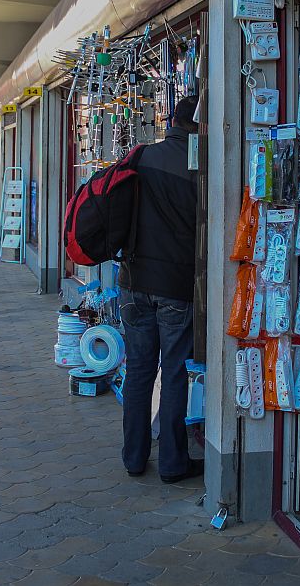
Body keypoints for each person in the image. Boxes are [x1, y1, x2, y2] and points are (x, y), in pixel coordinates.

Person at [118, 95, 200, 484]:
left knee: (137, 371)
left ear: (170, 121)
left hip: (133, 282)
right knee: (174, 374)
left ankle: (134, 458)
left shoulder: (141, 157)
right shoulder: (200, 166)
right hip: (175, 287)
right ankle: (172, 463)